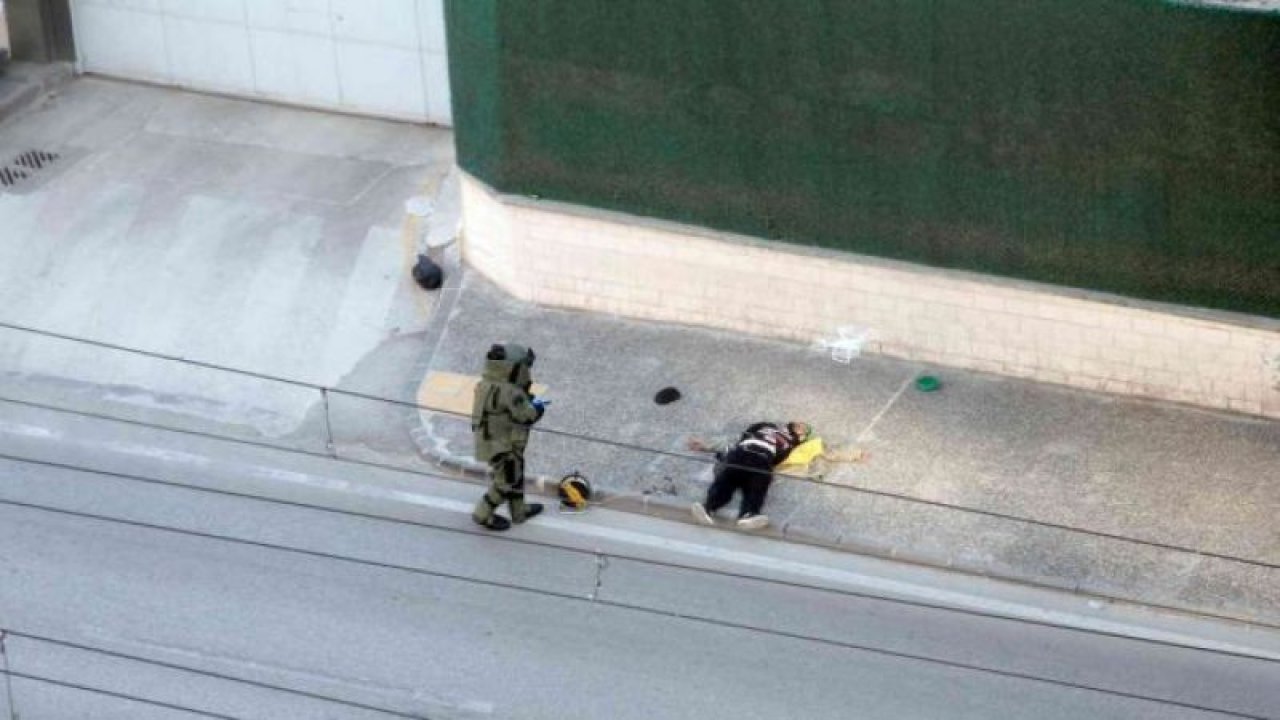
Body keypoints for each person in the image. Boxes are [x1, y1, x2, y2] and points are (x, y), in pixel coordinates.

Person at [470, 343, 547, 531]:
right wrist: (538, 406)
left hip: (491, 441)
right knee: (506, 482)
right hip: (504, 445)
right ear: (515, 368)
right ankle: (482, 513)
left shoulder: (486, 383)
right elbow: (527, 416)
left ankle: (518, 511)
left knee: (516, 475)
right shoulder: (510, 391)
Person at [689, 421, 812, 531]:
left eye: (804, 428)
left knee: (758, 486)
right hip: (743, 452)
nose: (801, 425)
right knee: (727, 481)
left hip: (763, 458)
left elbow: (804, 453)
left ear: (803, 437)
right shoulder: (768, 427)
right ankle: (708, 507)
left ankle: (749, 514)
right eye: (799, 424)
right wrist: (707, 447)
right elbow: (734, 443)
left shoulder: (791, 444)